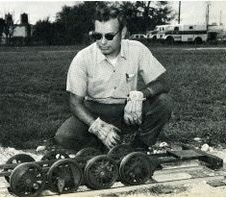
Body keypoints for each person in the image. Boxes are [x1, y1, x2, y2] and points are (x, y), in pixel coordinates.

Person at [54, 5, 173, 152]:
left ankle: (139, 147)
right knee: (64, 136)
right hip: (95, 110)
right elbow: (74, 102)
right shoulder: (83, 58)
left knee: (164, 102)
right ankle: (102, 148)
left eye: (109, 36)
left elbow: (164, 82)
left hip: (128, 111)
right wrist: (97, 127)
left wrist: (141, 95)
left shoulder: (137, 49)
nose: (102, 42)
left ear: (122, 33)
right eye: (97, 36)